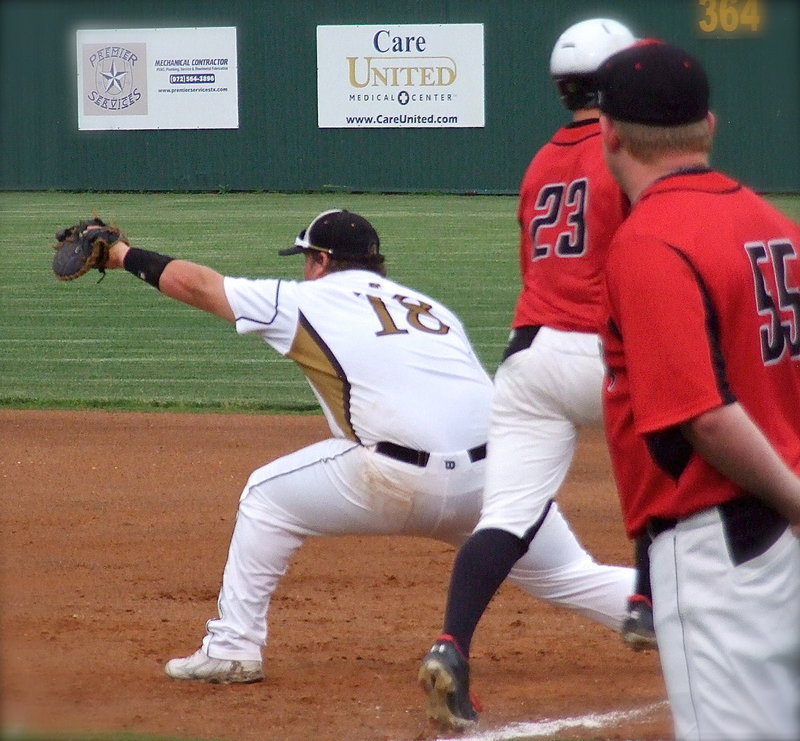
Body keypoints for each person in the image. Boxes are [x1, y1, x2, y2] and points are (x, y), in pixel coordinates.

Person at [93, 208, 612, 688]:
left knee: (266, 498)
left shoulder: (307, 299)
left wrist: (121, 255)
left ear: (321, 261)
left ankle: (233, 647)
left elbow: (199, 286)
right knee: (571, 576)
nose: (303, 272)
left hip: (396, 479)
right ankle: (671, 609)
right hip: (496, 482)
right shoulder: (429, 308)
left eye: (306, 260)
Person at [418, 18, 650, 732]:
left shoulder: (541, 160)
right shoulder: (631, 151)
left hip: (530, 354)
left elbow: (533, 265)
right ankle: (646, 599)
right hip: (608, 352)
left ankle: (451, 644)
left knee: (508, 516)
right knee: (694, 466)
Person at [596, 40, 800, 740]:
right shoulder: (775, 226)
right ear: (708, 126)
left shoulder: (650, 240)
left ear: (609, 133)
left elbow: (704, 416)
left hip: (727, 548)